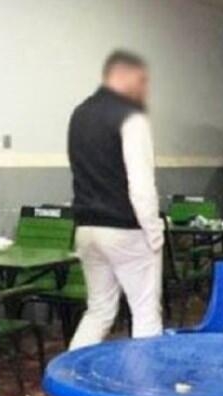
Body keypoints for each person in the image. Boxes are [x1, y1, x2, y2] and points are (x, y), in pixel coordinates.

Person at [68, 50, 164, 349]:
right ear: (122, 76)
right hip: (126, 229)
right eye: (141, 81)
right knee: (145, 313)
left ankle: (70, 373)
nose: (144, 89)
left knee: (98, 311)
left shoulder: (79, 114)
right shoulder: (131, 117)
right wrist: (154, 231)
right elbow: (141, 184)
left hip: (86, 228)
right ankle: (146, 378)